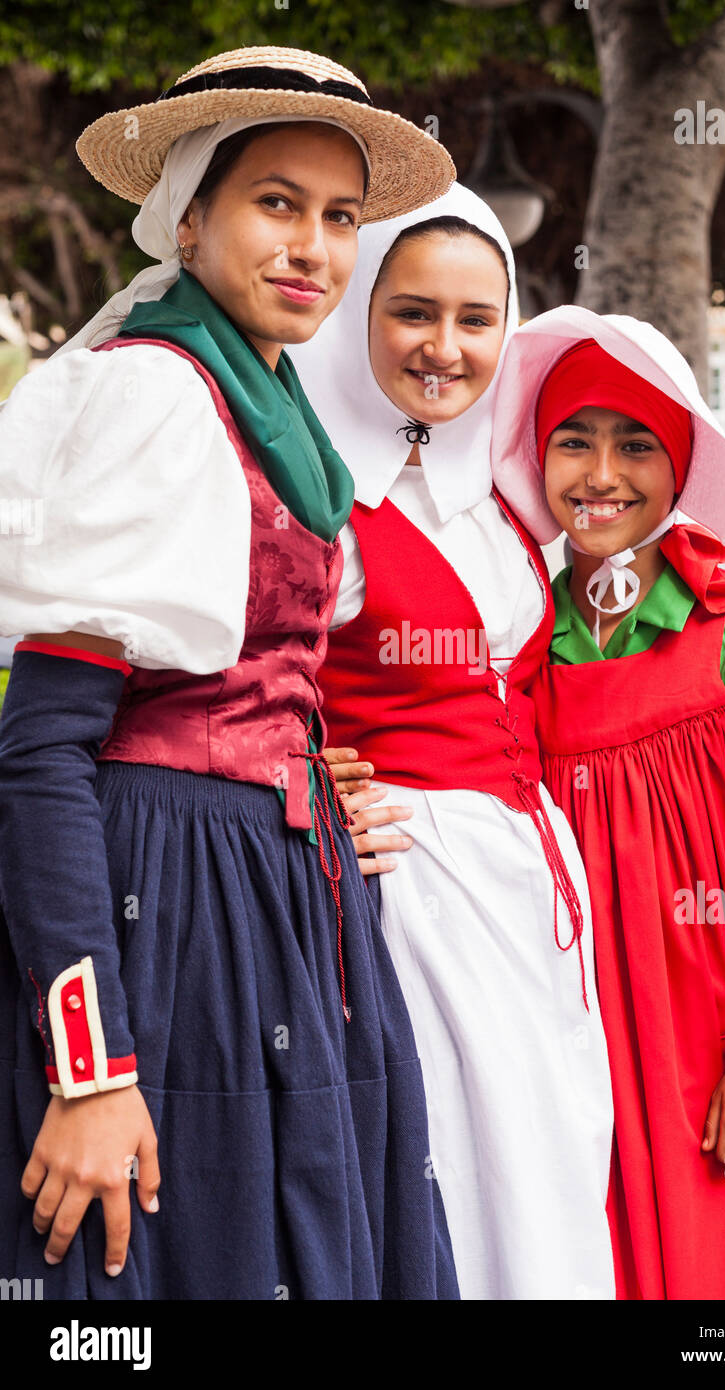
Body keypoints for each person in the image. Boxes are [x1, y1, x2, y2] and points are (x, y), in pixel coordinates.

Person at [0, 45, 459, 1301]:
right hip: (171, 912)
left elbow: (254, 682)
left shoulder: (274, 409)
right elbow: (41, 753)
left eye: (340, 217)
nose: (312, 245)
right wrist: (89, 1068)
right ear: (189, 217)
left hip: (282, 902)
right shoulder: (154, 394)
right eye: (275, 203)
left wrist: (313, 779)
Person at [489, 304, 725, 1299]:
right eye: (572, 441)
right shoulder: (525, 647)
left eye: (635, 444)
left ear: (681, 461)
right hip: (606, 1047)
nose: (600, 474)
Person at [290, 185, 615, 1301]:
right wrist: (307, 764)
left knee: (557, 1156)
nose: (445, 346)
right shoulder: (323, 506)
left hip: (530, 874)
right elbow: (233, 685)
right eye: (412, 312)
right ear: (357, 317)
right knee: (464, 1176)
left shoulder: (501, 496)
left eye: (477, 320)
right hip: (408, 884)